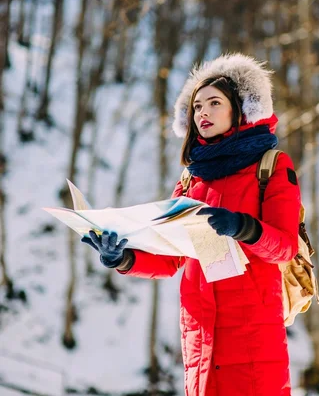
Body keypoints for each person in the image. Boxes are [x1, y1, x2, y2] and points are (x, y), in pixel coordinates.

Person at [82, 53, 301, 396]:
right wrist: (122, 258)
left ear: (240, 110)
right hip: (200, 335)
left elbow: (285, 246)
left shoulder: (272, 165)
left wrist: (243, 226)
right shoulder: (190, 181)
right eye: (197, 106)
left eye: (214, 103)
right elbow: (173, 259)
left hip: (252, 337)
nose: (203, 113)